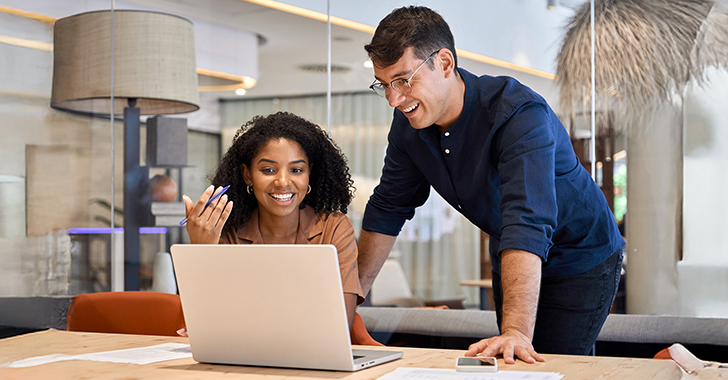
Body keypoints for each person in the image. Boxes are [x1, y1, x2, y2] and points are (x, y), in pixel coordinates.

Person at [358, 6, 625, 363]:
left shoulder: (518, 114)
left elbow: (526, 220)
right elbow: (388, 207)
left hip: (579, 253)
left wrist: (516, 331)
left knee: (547, 361)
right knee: (510, 361)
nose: (394, 98)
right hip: (511, 250)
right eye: (385, 84)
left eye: (404, 80)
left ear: (445, 63)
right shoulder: (409, 125)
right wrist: (348, 301)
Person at [182, 111, 363, 328]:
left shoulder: (334, 228)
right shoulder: (227, 232)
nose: (283, 182)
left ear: (309, 174)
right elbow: (206, 323)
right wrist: (202, 251)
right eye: (268, 170)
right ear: (248, 174)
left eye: (296, 170)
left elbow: (340, 324)